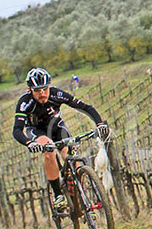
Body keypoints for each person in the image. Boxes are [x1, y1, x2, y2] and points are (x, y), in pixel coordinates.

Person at [13, 68, 109, 214]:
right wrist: (29, 143)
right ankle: (58, 195)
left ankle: (80, 194)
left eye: (45, 89)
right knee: (49, 151)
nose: (42, 93)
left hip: (57, 127)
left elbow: (85, 107)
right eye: (37, 90)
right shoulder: (25, 102)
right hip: (37, 131)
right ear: (29, 90)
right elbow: (17, 130)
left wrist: (99, 124)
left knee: (73, 160)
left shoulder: (56, 94)